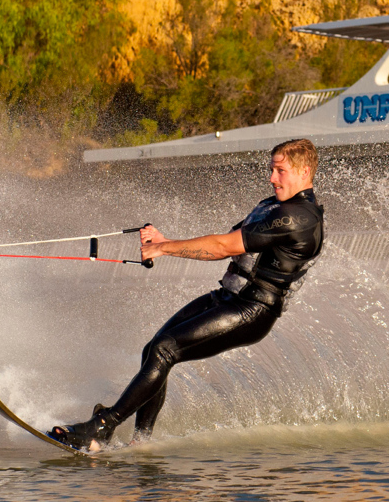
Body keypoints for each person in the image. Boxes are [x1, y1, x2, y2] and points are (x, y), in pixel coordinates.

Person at [48, 138, 325, 451]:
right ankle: (141, 443)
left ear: (303, 172)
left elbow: (223, 247)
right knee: (153, 350)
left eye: (280, 171)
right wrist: (166, 241)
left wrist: (163, 248)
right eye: (271, 170)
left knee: (165, 350)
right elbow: (223, 244)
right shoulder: (272, 206)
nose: (272, 178)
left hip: (253, 310)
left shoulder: (299, 217)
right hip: (228, 298)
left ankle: (102, 426)